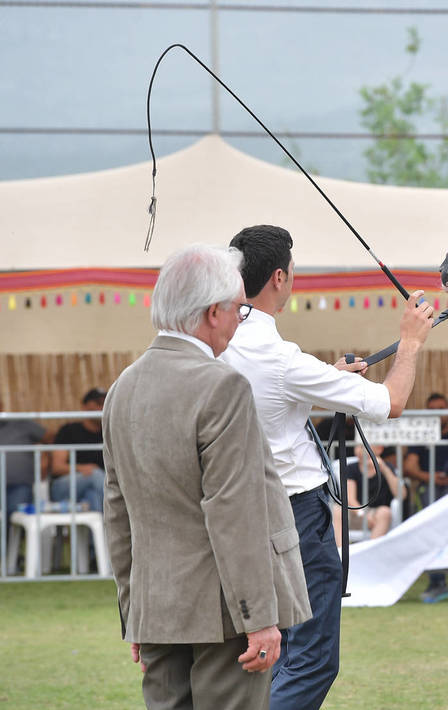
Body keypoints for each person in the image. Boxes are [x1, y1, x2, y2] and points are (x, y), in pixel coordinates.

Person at [221, 224, 433, 709]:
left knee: (267, 651)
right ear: (279, 277)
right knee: (312, 657)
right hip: (295, 518)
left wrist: (329, 381)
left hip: (240, 514)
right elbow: (391, 401)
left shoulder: (224, 343)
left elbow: (269, 406)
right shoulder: (281, 358)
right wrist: (410, 344)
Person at [102, 244, 311, 710]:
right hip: (225, 611)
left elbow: (117, 512)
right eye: (240, 308)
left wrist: (133, 611)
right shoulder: (221, 385)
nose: (242, 318)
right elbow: (235, 511)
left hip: (157, 604)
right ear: (213, 312)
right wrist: (258, 618)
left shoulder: (122, 388)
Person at [402, 392, 448, 603]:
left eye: (441, 409)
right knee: (432, 524)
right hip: (428, 489)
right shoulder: (422, 437)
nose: (438, 414)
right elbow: (409, 467)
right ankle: (437, 581)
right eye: (433, 410)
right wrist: (430, 477)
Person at [49, 387, 107, 514]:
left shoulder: (109, 433)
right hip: (62, 487)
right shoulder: (69, 431)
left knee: (93, 496)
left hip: (95, 487)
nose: (102, 407)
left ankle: (99, 534)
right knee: (95, 474)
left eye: (106, 403)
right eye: (98, 403)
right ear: (84, 406)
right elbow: (56, 467)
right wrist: (81, 468)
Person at [344, 445, 405, 540]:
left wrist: (385, 469)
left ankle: (371, 550)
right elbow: (349, 498)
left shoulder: (387, 467)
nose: (361, 451)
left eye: (365, 446)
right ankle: (339, 551)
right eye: (358, 446)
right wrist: (363, 515)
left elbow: (402, 495)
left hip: (377, 513)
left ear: (379, 449)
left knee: (385, 512)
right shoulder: (351, 468)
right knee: (337, 511)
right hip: (357, 512)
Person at [0, 405, 48, 523]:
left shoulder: (20, 422)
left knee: (16, 515)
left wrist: (45, 458)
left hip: (19, 485)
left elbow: (52, 439)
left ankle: (10, 541)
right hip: (17, 485)